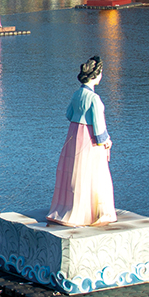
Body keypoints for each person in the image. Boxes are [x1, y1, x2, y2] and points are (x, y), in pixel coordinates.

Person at [46, 57, 117, 227]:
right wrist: (107, 142)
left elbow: (69, 115)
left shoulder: (76, 94)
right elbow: (99, 128)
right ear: (96, 75)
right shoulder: (94, 99)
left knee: (73, 173)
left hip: (73, 135)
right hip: (89, 139)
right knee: (92, 174)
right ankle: (90, 213)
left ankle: (68, 208)